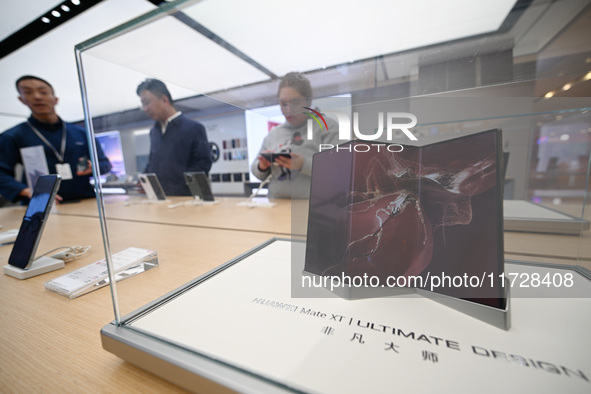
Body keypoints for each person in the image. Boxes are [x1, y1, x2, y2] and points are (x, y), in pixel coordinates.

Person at [0, 75, 112, 203]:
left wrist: (94, 168)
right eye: (28, 92)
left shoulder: (81, 132)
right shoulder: (12, 136)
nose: (37, 97)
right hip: (41, 205)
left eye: (43, 92)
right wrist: (25, 191)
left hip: (84, 199)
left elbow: (105, 164)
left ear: (55, 99)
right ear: (22, 99)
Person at [250, 72, 339, 199]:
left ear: (308, 101)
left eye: (295, 103)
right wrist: (262, 166)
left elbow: (340, 170)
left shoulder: (328, 127)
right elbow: (256, 170)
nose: (288, 110)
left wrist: (303, 164)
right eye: (283, 104)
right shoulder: (274, 134)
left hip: (315, 209)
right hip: (276, 207)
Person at [137, 79, 212, 196]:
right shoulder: (154, 131)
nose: (145, 108)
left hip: (185, 199)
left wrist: (181, 186)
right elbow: (152, 162)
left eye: (147, 102)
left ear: (164, 99)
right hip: (159, 199)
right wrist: (144, 179)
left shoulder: (194, 128)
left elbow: (203, 164)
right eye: (143, 104)